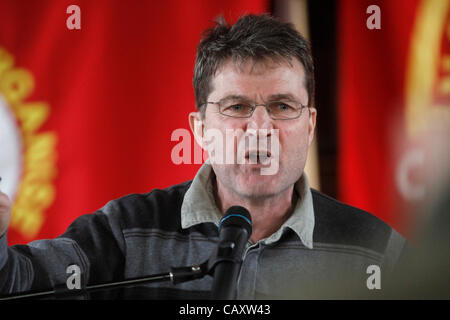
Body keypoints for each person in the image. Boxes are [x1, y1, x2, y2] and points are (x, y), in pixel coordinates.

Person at [0, 14, 412, 299]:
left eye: (283, 107)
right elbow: (21, 283)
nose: (260, 128)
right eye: (237, 107)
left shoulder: (375, 252)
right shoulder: (127, 233)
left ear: (310, 126)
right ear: (200, 130)